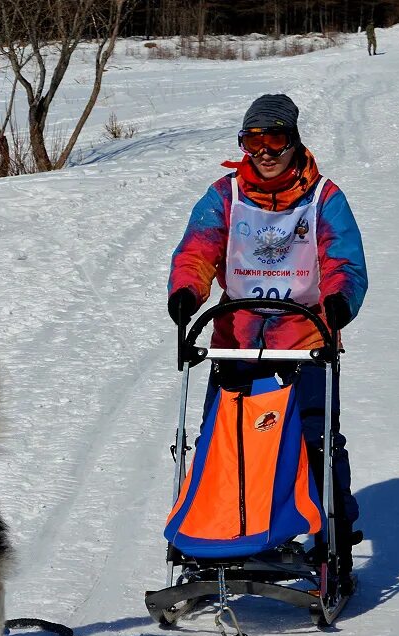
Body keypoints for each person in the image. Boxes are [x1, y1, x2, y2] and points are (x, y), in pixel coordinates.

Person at [167, 94, 368, 591]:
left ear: (293, 139)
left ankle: (333, 543)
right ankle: (223, 535)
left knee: (315, 442)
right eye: (252, 141)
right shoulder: (225, 195)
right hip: (236, 338)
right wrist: (186, 291)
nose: (264, 151)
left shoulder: (323, 198)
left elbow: (343, 260)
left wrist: (340, 301)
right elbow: (198, 249)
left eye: (274, 138)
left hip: (305, 338)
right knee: (225, 440)